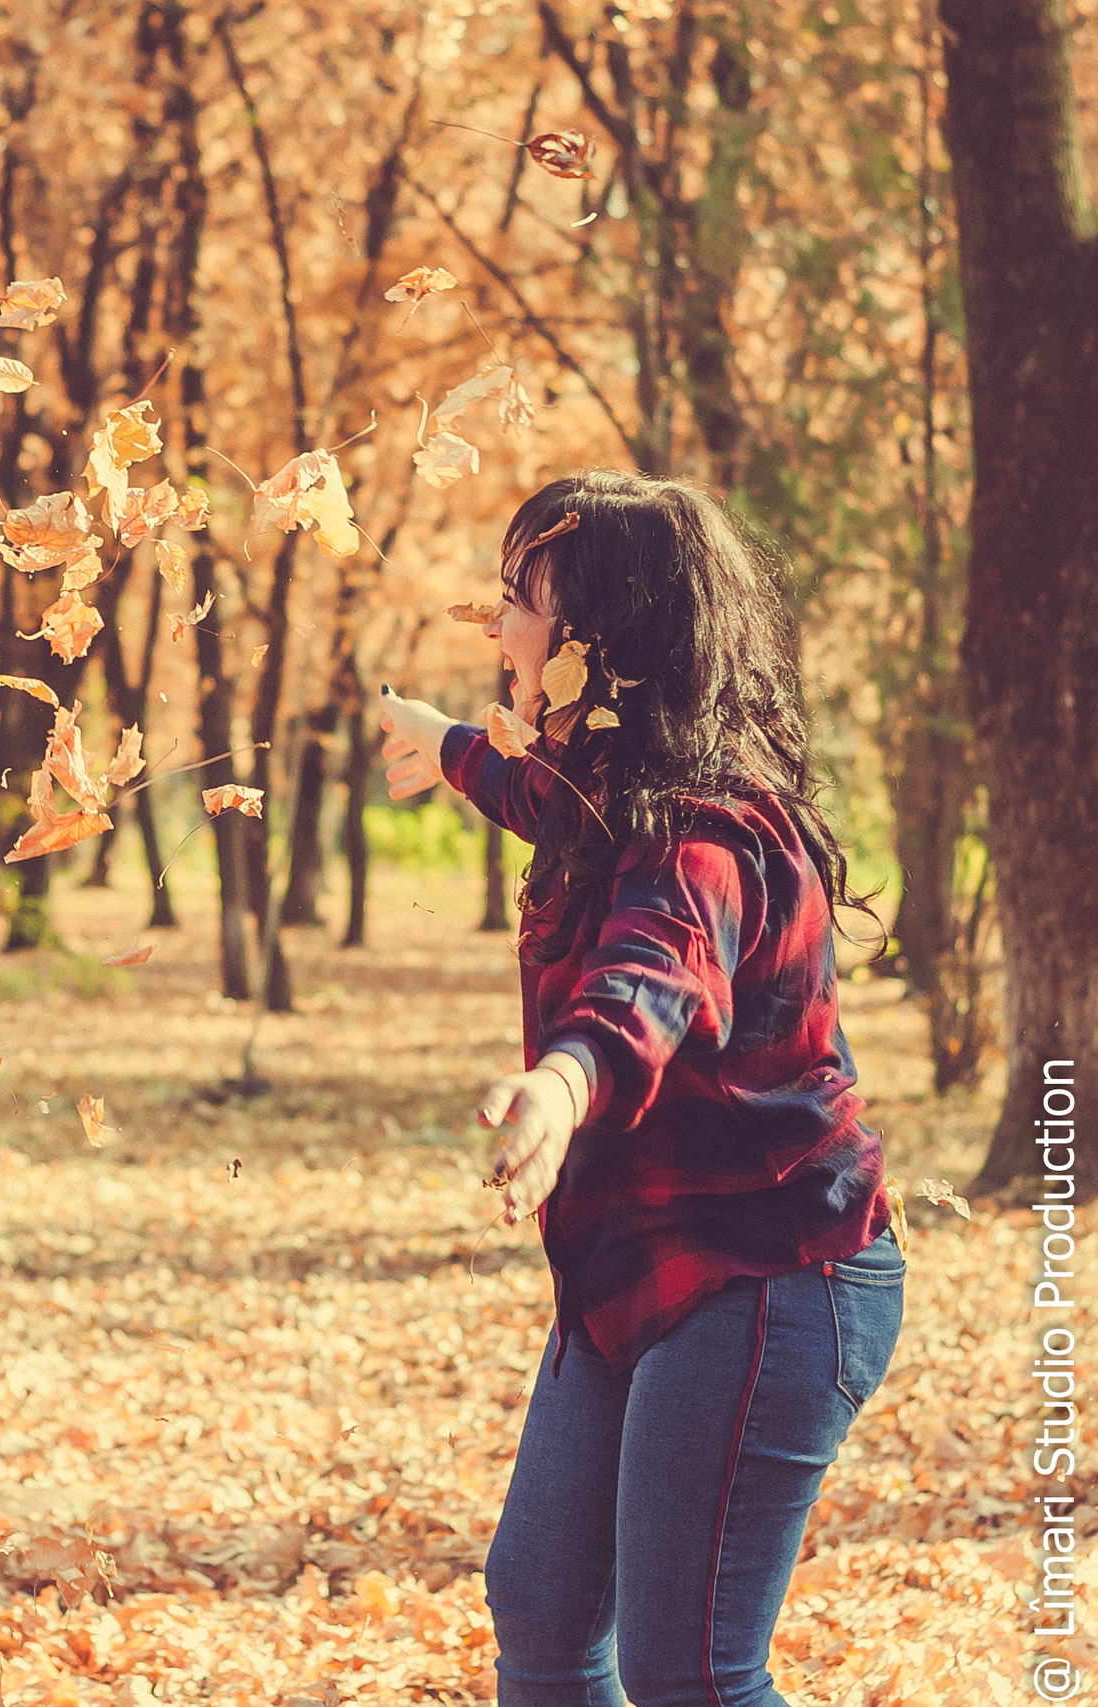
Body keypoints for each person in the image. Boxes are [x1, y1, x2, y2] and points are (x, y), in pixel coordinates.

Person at [376, 470, 900, 1707]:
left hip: (768, 1274)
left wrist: (562, 1086)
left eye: (523, 605)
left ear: (604, 645)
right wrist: (443, 741)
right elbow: (532, 795)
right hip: (635, 1264)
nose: (497, 627)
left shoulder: (709, 833)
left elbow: (655, 980)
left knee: (692, 1676)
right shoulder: (600, 794)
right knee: (546, 1611)